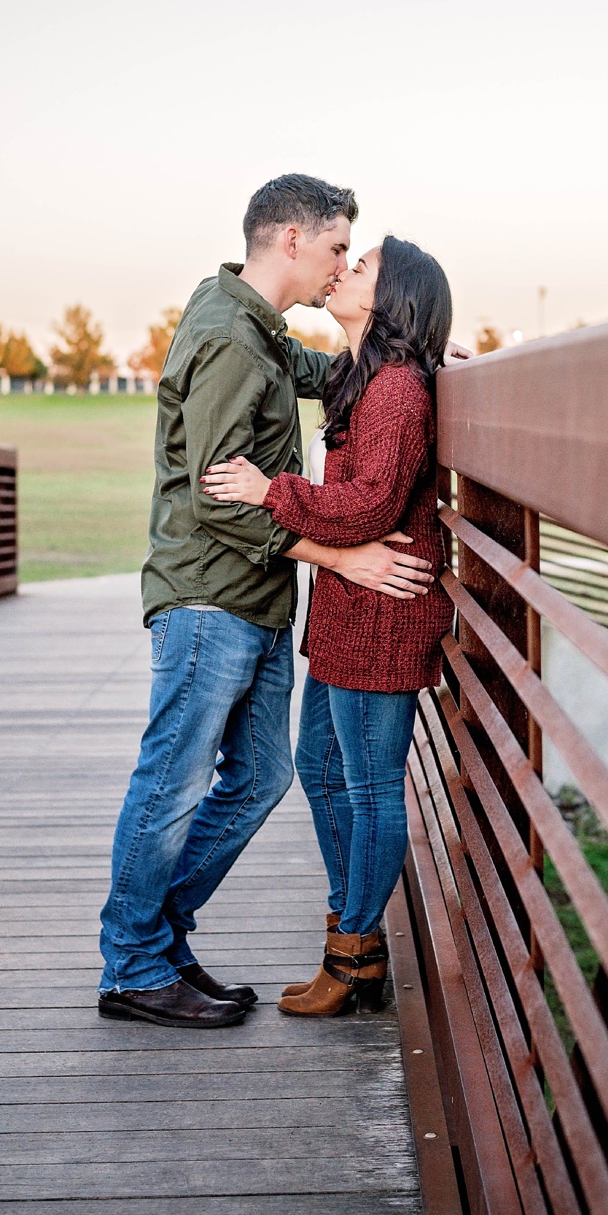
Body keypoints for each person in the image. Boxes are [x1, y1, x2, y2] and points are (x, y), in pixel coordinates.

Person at [95, 175, 442, 1028]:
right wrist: (345, 559)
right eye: (335, 250)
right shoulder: (226, 336)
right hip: (209, 600)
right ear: (292, 240)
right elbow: (220, 498)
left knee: (261, 778)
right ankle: (136, 966)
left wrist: (421, 355)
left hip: (256, 600)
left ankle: (157, 941)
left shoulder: (252, 323)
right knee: (173, 785)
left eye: (353, 261)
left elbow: (334, 373)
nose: (338, 268)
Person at [202, 235, 457, 1016]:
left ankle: (349, 959)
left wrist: (268, 490)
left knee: (371, 788)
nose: (345, 269)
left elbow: (374, 505)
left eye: (364, 264)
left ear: (395, 297)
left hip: (385, 613)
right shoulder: (363, 378)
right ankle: (359, 943)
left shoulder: (398, 391)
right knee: (318, 767)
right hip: (348, 612)